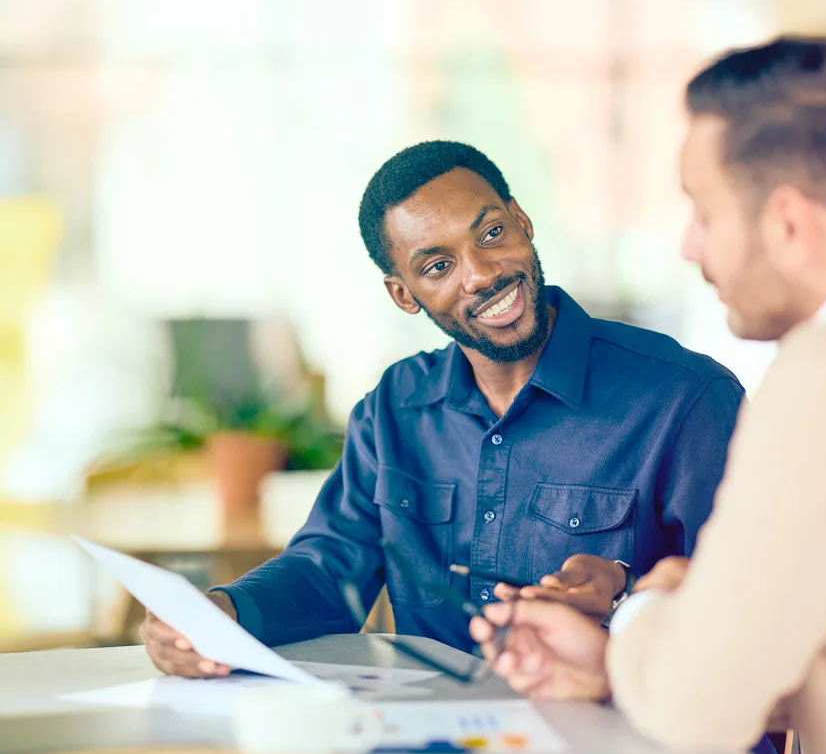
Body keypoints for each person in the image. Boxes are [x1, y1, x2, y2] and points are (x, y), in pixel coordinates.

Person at [140, 140, 743, 680]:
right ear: (404, 294)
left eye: (491, 234)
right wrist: (221, 613)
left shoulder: (686, 400)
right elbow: (330, 569)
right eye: (438, 266)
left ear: (523, 221)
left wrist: (623, 593)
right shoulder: (393, 408)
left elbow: (746, 614)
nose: (481, 274)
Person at [470, 37, 826, 754]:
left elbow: (699, 708)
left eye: (703, 211)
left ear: (787, 222)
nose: (690, 247)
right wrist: (625, 659)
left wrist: (646, 610)